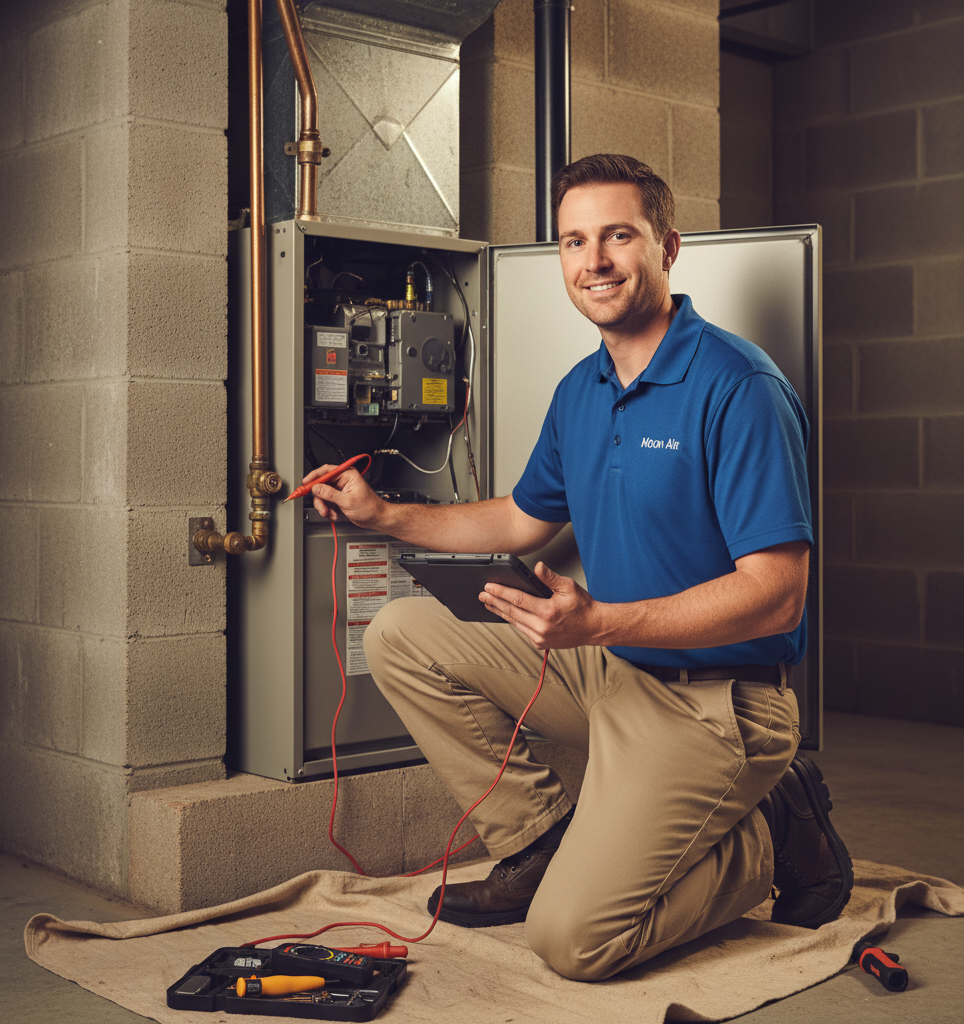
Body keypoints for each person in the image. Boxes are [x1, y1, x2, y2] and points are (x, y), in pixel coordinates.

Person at [302, 154, 853, 981]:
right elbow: (522, 520)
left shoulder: (739, 387)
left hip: (718, 702)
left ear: (668, 248)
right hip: (609, 671)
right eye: (573, 241)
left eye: (617, 236)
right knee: (401, 632)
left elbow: (777, 597)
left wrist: (600, 620)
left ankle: (772, 831)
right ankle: (538, 840)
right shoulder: (582, 389)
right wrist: (386, 516)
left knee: (574, 944)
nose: (593, 261)